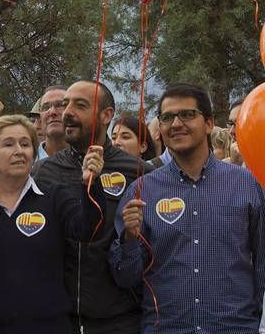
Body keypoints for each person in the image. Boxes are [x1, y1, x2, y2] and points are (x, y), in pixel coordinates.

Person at [111, 83, 265, 334]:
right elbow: (125, 278)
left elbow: (262, 264)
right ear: (159, 129)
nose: (176, 124)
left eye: (187, 114)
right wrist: (129, 239)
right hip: (167, 328)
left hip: (234, 327)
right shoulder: (141, 191)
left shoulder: (246, 184)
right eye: (167, 117)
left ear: (208, 123)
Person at [0, 115, 106, 334]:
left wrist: (91, 184)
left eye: (25, 144)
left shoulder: (53, 196)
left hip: (48, 325)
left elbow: (89, 229)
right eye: (8, 144)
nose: (19, 151)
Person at [32, 80, 151, 334]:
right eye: (66, 105)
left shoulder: (138, 170)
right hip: (59, 318)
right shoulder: (45, 170)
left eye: (80, 105)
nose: (67, 113)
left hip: (119, 318)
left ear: (106, 115)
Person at [36, 85, 69, 161]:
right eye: (46, 107)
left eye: (60, 105)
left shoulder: (91, 161)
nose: (52, 112)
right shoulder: (25, 162)